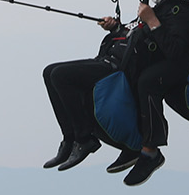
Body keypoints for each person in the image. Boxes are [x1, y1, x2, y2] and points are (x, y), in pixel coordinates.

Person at [111, 0, 189, 186]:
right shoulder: (157, 9)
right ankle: (133, 143)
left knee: (147, 82)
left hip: (182, 64)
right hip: (160, 56)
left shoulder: (180, 12)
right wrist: (116, 28)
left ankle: (151, 150)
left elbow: (175, 50)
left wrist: (152, 21)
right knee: (130, 73)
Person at [41, 16, 127, 172]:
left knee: (60, 75)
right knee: (49, 72)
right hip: (105, 59)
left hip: (117, 66)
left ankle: (84, 138)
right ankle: (70, 138)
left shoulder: (158, 14)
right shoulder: (148, 10)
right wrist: (115, 27)